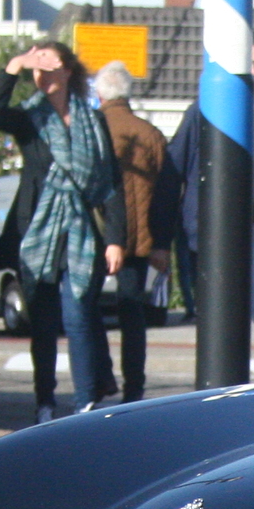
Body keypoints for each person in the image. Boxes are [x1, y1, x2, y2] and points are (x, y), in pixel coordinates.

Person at [0, 41, 116, 422]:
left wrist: (116, 239)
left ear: (67, 70)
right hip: (37, 235)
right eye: (34, 68)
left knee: (78, 318)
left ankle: (86, 400)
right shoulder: (30, 119)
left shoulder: (92, 121)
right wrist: (14, 66)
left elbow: (111, 184)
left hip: (81, 234)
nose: (39, 73)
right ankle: (45, 400)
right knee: (42, 325)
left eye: (47, 63)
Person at [168, 44, 254, 379]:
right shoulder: (202, 113)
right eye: (249, 64)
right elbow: (173, 168)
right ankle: (219, 388)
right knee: (216, 318)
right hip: (213, 233)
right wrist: (159, 234)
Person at [92, 62, 176, 403]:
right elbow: (167, 194)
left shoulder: (93, 130)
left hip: (96, 237)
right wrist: (161, 243)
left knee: (86, 308)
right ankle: (134, 387)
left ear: (99, 94)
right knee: (132, 315)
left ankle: (100, 376)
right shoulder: (151, 134)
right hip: (139, 242)